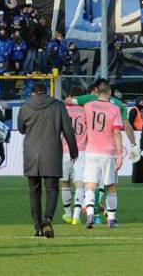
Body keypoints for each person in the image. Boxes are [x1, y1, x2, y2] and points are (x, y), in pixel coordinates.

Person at [18, 81, 78, 238]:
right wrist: (74, 151)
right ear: (47, 92)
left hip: (31, 153)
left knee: (34, 191)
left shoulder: (25, 106)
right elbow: (68, 131)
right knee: (52, 189)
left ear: (33, 93)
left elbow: (21, 128)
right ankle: (48, 218)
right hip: (51, 152)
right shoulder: (58, 106)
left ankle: (37, 226)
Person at [82, 80, 124, 229]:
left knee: (90, 185)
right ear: (110, 92)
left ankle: (90, 214)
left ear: (96, 91)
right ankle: (112, 220)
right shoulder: (114, 109)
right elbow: (117, 132)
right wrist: (120, 154)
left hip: (91, 151)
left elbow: (86, 127)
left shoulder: (87, 107)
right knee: (111, 185)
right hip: (108, 152)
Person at [62, 89, 88, 225]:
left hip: (64, 151)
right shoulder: (85, 110)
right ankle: (76, 217)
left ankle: (68, 214)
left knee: (65, 182)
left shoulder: (63, 109)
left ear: (70, 96)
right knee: (79, 184)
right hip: (81, 151)